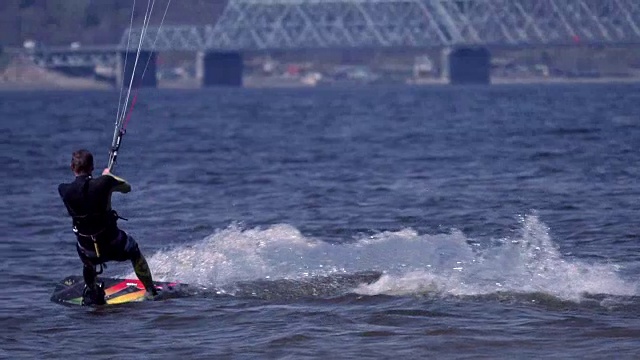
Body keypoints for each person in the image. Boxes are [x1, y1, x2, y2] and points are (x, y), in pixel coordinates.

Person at [58, 149, 157, 305]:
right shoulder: (104, 183)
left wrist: (104, 181)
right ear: (92, 167)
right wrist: (109, 176)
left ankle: (92, 290)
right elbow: (126, 188)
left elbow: (85, 193)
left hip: (89, 250)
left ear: (72, 167)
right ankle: (151, 290)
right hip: (114, 245)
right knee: (134, 249)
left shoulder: (63, 190)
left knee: (83, 251)